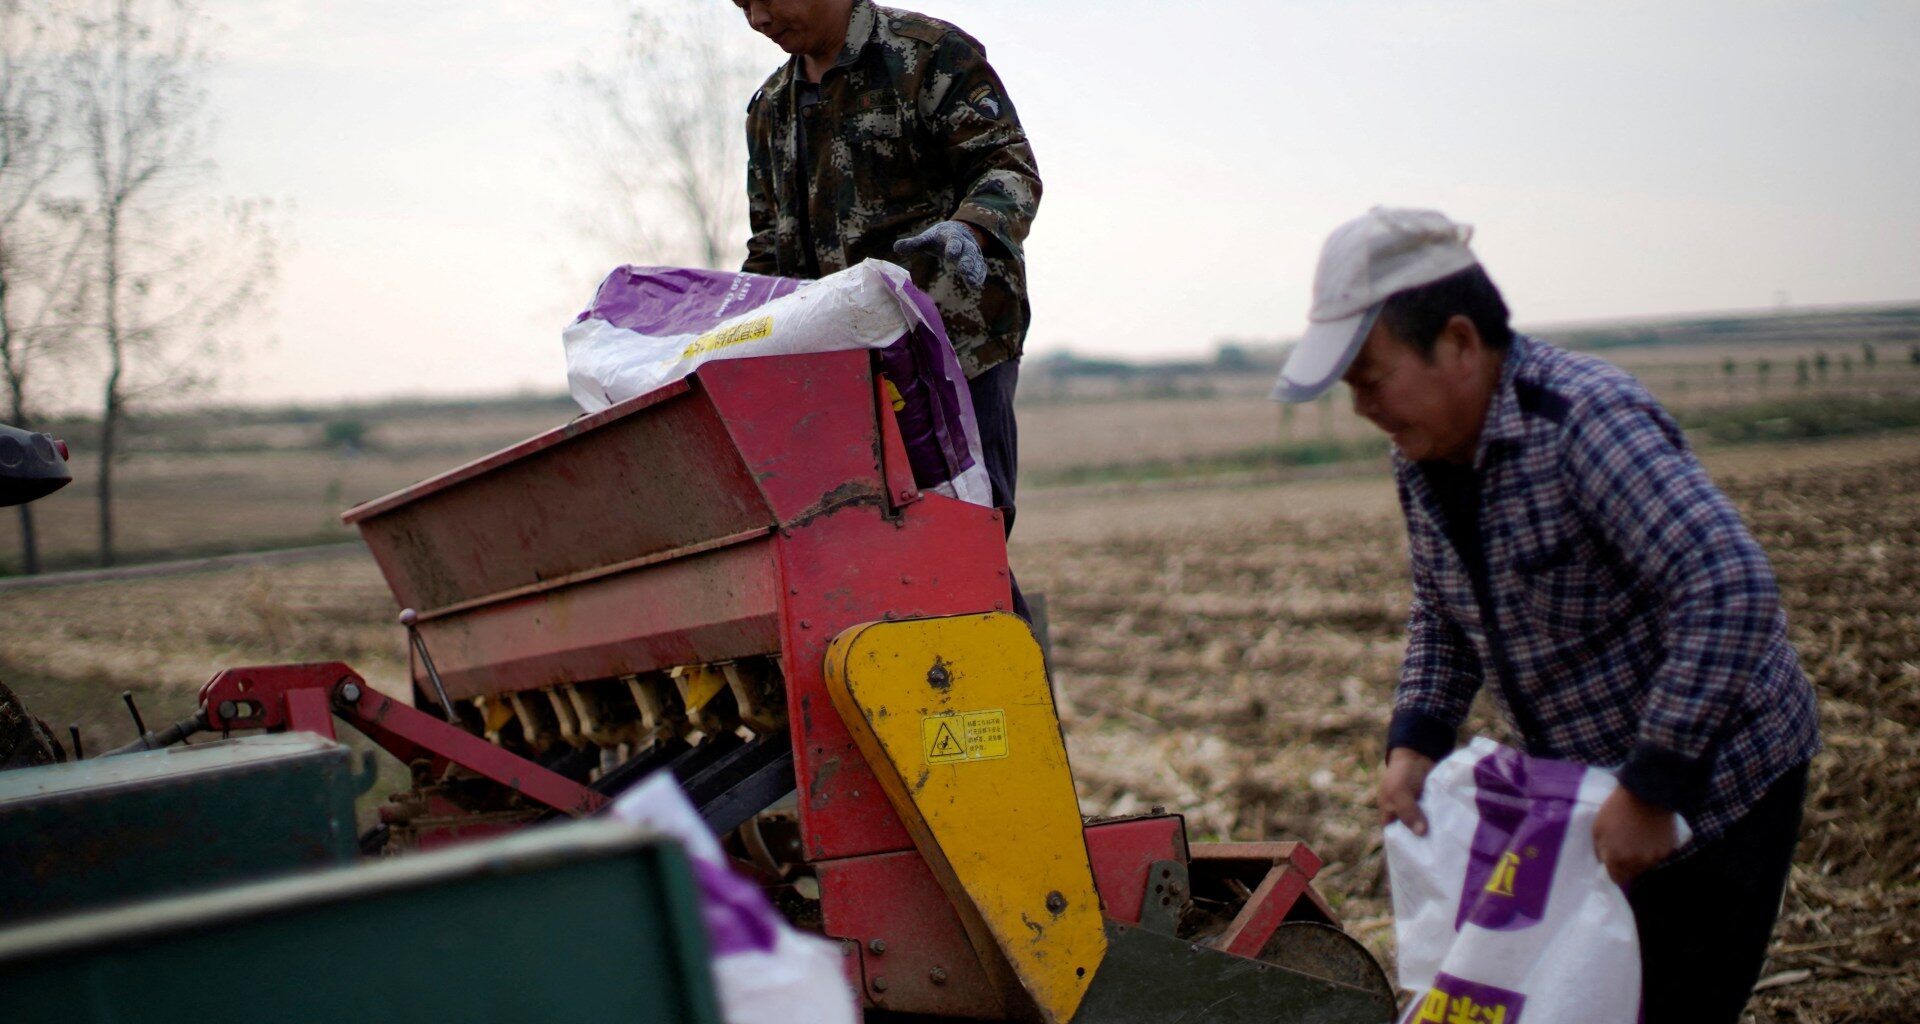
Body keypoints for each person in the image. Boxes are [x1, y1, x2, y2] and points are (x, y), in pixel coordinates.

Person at [1272, 207, 1819, 1024]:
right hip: (1590, 794)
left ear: (1459, 343)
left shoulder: (1583, 423)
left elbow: (1726, 587)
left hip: (1718, 782)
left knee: (1668, 1002)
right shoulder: (1424, 457)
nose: (1363, 409)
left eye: (1371, 378)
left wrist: (1653, 785)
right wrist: (1415, 742)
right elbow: (1442, 608)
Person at [732, 0, 1040, 618]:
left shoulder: (928, 56)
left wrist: (969, 230)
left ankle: (1011, 711)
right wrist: (732, 335)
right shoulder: (769, 109)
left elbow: (1007, 168)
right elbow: (767, 245)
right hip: (835, 380)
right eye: (741, 5)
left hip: (949, 356)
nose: (758, 19)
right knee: (866, 574)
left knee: (962, 556)